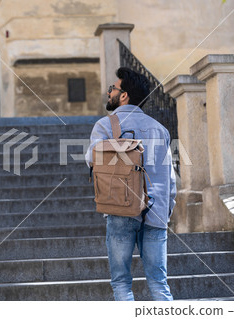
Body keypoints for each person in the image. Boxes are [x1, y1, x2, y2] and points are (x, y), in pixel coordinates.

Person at [85, 67, 176, 301]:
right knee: (159, 283)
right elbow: (171, 179)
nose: (109, 93)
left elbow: (91, 159)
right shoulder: (160, 129)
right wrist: (166, 210)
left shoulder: (105, 126)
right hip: (156, 212)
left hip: (120, 208)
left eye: (112, 89)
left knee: (121, 283)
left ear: (123, 95)